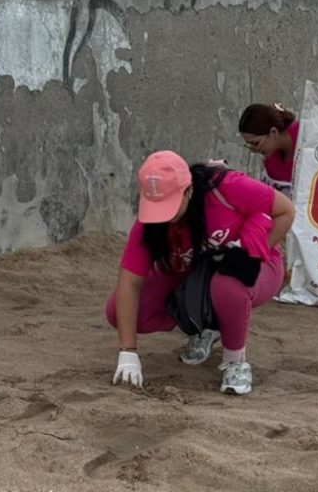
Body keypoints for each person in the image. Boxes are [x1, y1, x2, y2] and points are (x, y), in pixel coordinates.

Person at [107, 150, 294, 395]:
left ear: (188, 190)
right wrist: (128, 352)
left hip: (251, 262)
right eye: (156, 206)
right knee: (117, 311)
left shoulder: (226, 187)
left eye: (170, 204)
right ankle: (204, 325)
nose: (163, 215)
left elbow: (285, 210)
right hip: (191, 269)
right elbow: (129, 283)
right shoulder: (149, 224)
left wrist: (253, 252)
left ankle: (235, 362)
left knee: (228, 286)